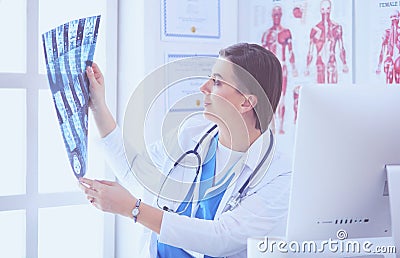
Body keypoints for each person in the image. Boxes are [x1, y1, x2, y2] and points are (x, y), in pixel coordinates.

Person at [79, 43, 291, 257]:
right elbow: (138, 173)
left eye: (217, 82)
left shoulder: (279, 175)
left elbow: (223, 239)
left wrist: (134, 209)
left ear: (246, 103)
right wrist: (98, 106)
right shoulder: (192, 134)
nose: (204, 87)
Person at [261, 5, 298, 134]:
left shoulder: (286, 32)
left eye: (278, 15)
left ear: (281, 15)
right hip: (269, 68)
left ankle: (281, 126)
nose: (276, 17)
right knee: (269, 96)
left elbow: (291, 51)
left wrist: (293, 67)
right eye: (274, 15)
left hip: (282, 66)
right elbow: (262, 53)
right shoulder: (267, 34)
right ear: (272, 16)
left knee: (282, 96)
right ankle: (271, 125)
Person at [304, 0, 349, 84]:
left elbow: (341, 47)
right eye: (323, 9)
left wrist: (344, 64)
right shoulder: (315, 29)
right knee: (321, 90)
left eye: (328, 9)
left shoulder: (337, 28)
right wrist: (307, 67)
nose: (325, 12)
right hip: (320, 63)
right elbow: (310, 51)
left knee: (333, 90)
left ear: (330, 9)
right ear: (320, 10)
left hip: (332, 62)